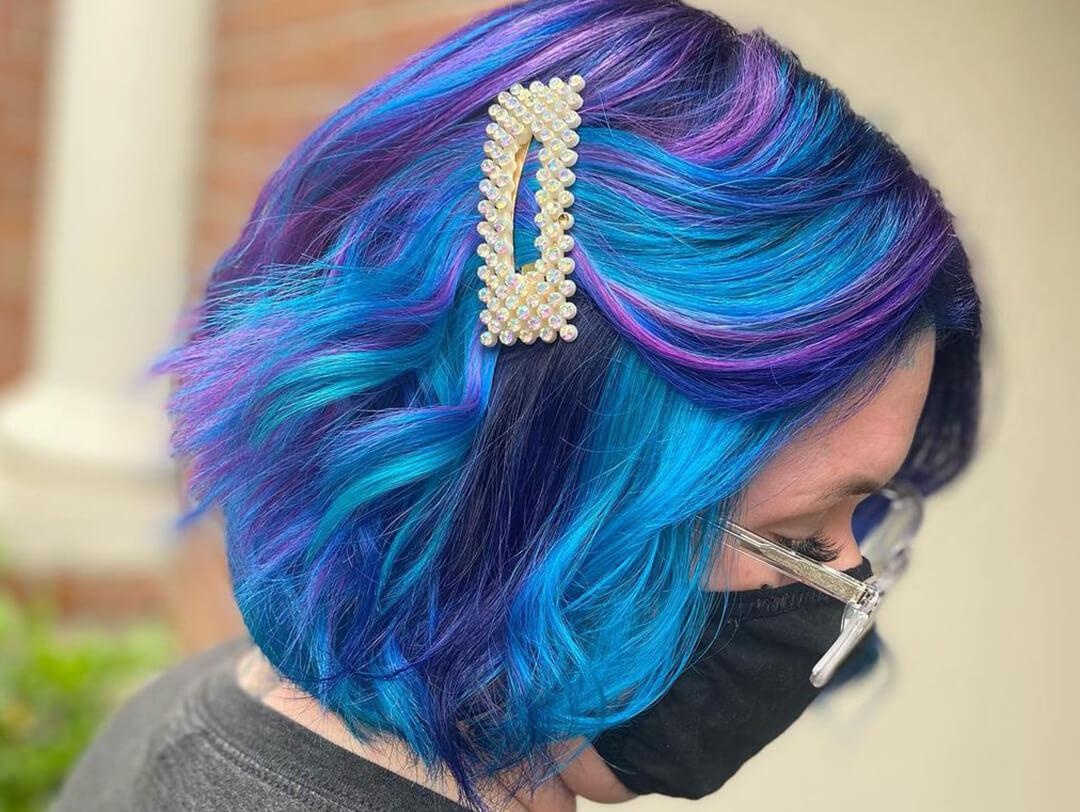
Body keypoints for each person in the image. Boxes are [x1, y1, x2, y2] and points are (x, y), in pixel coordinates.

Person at [52, 0, 982, 810]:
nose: (855, 584)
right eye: (806, 532)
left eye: (864, 516)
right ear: (541, 509)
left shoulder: (195, 710)